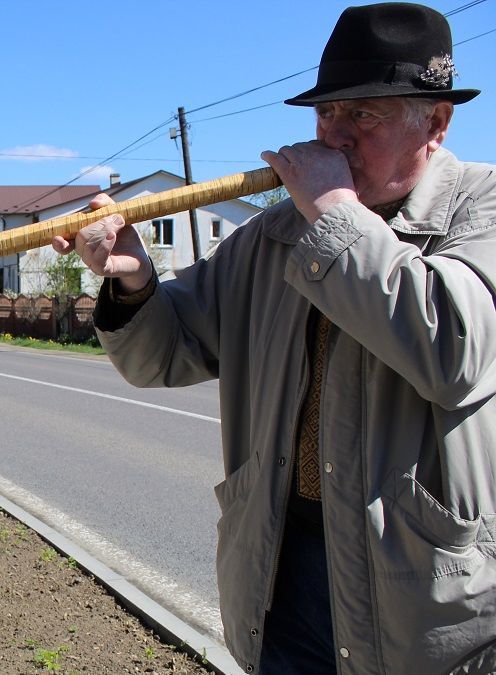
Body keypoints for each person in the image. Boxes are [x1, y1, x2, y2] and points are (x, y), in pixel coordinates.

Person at [54, 4, 494, 674]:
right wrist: (135, 277)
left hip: (426, 605)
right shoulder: (272, 236)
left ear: (435, 123)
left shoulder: (481, 209)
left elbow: (451, 346)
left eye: (364, 114)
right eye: (326, 115)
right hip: (280, 577)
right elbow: (165, 354)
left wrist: (337, 215)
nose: (335, 136)